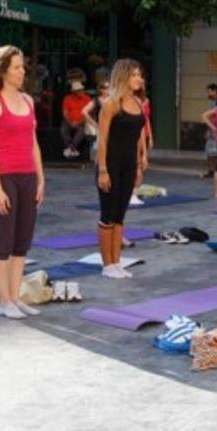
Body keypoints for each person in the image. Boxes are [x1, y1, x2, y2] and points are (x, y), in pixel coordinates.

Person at [0, 45, 45, 319]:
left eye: (22, 66)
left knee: (21, 244)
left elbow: (33, 144)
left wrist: (41, 179)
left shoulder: (28, 101)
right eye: (17, 67)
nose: (22, 71)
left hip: (28, 177)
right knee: (3, 245)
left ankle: (15, 297)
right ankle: (4, 301)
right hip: (3, 177)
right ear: (3, 70)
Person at [96, 59, 148, 279]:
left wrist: (140, 161)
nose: (140, 79)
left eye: (140, 75)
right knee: (108, 214)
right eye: (136, 75)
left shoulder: (137, 103)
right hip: (111, 163)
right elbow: (102, 139)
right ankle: (107, 265)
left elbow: (138, 136)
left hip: (128, 164)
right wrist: (103, 170)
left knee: (120, 215)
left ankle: (116, 262)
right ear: (124, 76)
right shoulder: (111, 104)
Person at [61, 80, 91, 159]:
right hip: (70, 121)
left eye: (82, 90)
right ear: (74, 92)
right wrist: (70, 122)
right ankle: (70, 146)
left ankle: (71, 148)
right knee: (63, 129)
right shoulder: (67, 98)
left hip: (82, 121)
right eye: (79, 90)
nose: (81, 91)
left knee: (82, 130)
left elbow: (89, 114)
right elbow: (65, 113)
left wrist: (78, 122)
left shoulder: (87, 98)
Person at [82, 80, 110, 163]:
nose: (108, 90)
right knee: (101, 150)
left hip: (113, 126)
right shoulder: (96, 100)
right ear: (101, 89)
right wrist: (95, 124)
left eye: (109, 88)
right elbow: (84, 111)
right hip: (102, 127)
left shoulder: (113, 100)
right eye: (105, 88)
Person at [202, 83, 217, 179]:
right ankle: (210, 171)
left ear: (214, 91)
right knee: (209, 151)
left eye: (209, 91)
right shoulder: (212, 102)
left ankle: (216, 171)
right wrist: (208, 130)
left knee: (216, 152)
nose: (208, 93)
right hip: (212, 130)